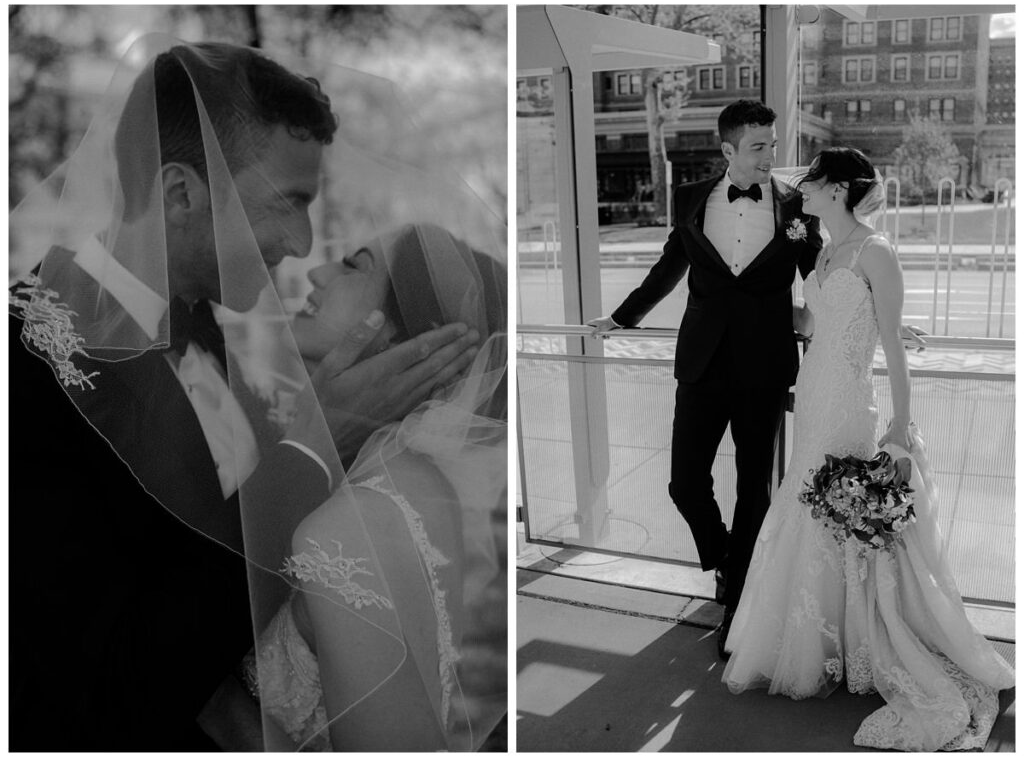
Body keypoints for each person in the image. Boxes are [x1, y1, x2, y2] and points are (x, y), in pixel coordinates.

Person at [8, 39, 480, 751]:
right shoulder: (28, 377)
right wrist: (319, 445)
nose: (300, 242)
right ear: (179, 194)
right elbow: (102, 694)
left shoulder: (205, 331)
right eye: (286, 203)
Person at [722, 147, 1014, 751]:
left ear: (836, 189)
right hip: (813, 393)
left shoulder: (876, 250)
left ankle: (868, 642)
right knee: (809, 512)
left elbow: (893, 350)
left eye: (810, 182)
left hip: (849, 403)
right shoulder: (827, 250)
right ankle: (822, 640)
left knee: (844, 518)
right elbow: (815, 324)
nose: (800, 190)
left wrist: (902, 426)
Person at [238, 223, 507, 751]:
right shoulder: (404, 482)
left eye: (353, 266)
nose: (316, 271)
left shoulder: (355, 525)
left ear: (413, 340)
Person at [589, 100, 823, 658]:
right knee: (684, 483)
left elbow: (819, 272)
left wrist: (876, 310)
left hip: (764, 367)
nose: (771, 155)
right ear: (728, 151)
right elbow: (669, 266)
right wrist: (622, 317)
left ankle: (738, 607)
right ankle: (724, 558)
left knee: (753, 489)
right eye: (759, 146)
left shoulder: (796, 206)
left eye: (772, 143)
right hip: (701, 362)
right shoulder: (693, 198)